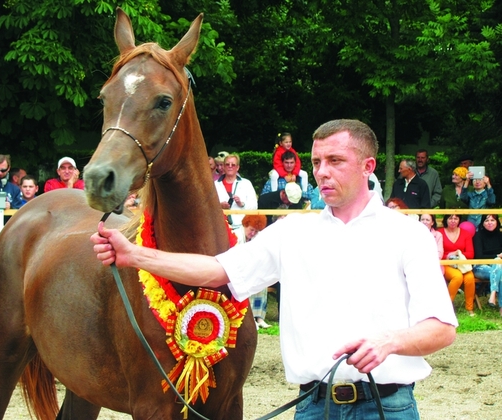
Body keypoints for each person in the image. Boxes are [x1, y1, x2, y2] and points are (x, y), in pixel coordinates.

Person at [92, 119, 456, 419]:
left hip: (389, 407)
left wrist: (389, 342)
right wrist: (134, 255)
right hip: (314, 407)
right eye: (316, 163)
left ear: (368, 166)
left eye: (335, 161)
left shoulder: (408, 235)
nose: (321, 173)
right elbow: (217, 270)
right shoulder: (292, 232)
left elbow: (441, 329)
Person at [234, 215, 270, 329]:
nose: (253, 233)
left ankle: (259, 317)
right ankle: (249, 318)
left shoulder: (258, 238)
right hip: (238, 270)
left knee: (262, 282)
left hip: (252, 269)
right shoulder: (236, 235)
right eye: (251, 230)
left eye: (256, 231)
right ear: (245, 225)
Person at [439, 214, 476, 316]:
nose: (453, 221)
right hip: (447, 264)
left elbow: (470, 254)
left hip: (462, 264)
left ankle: (469, 308)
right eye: (450, 218)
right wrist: (449, 255)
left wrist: (458, 253)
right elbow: (437, 253)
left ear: (459, 220)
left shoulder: (465, 234)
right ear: (446, 219)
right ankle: (446, 306)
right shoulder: (440, 232)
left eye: (456, 218)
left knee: (470, 278)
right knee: (457, 277)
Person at [214, 153, 257, 229]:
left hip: (242, 227)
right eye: (227, 164)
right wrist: (219, 206)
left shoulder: (246, 183)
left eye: (233, 165)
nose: (230, 166)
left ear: (237, 168)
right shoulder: (215, 185)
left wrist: (241, 204)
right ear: (223, 167)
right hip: (220, 228)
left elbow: (254, 207)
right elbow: (209, 207)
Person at [472, 214, 502, 314]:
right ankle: (501, 307)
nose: (489, 223)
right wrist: (497, 256)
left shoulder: (500, 235)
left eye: (492, 220)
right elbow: (479, 256)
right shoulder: (478, 236)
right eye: (486, 220)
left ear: (497, 222)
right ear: (482, 223)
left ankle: (493, 295)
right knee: (498, 264)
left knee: (499, 268)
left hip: (498, 267)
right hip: (480, 267)